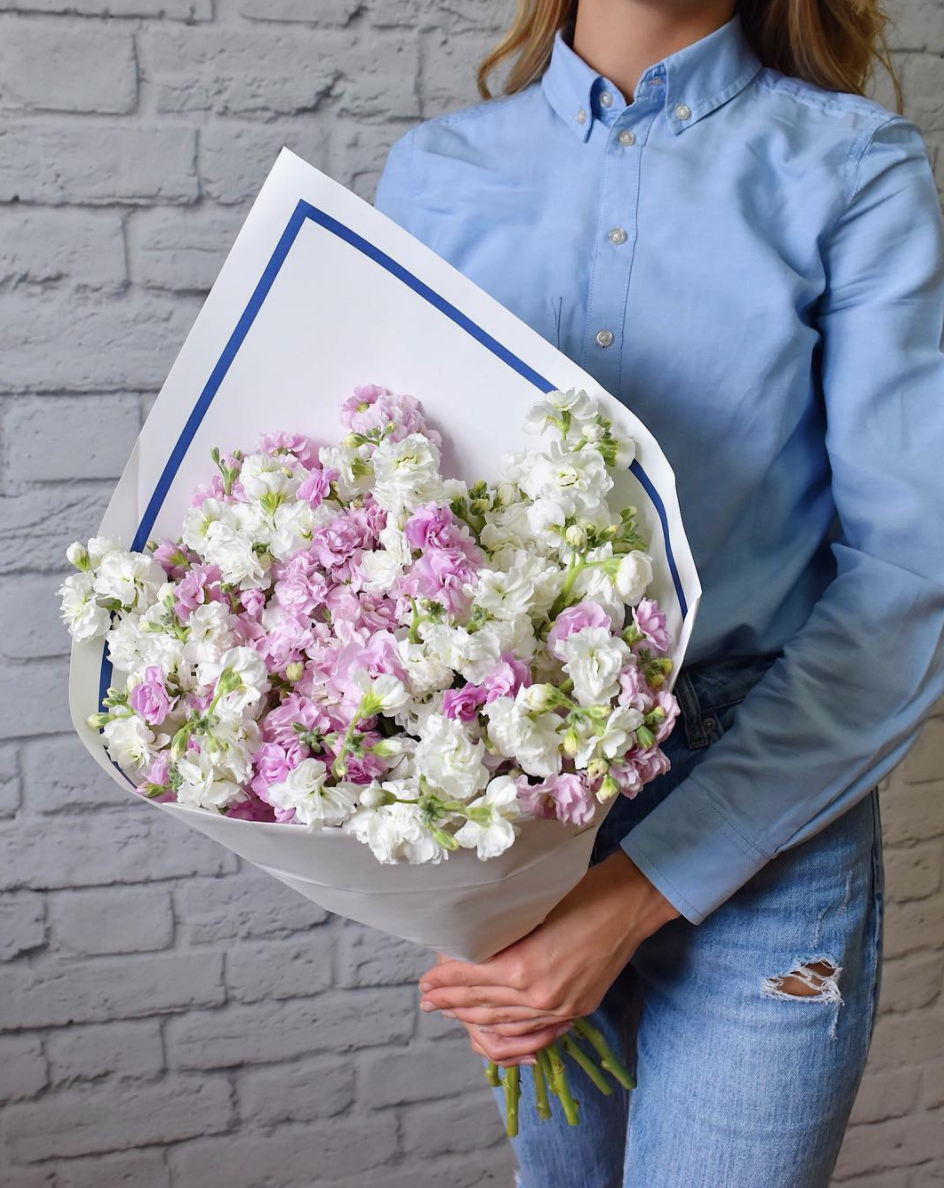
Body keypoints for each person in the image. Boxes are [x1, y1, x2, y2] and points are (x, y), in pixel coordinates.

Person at [372, 2, 944, 1184]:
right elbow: (389, 522)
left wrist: (628, 899)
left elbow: (907, 577)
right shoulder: (435, 173)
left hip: (768, 804)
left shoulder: (850, 167)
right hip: (524, 814)